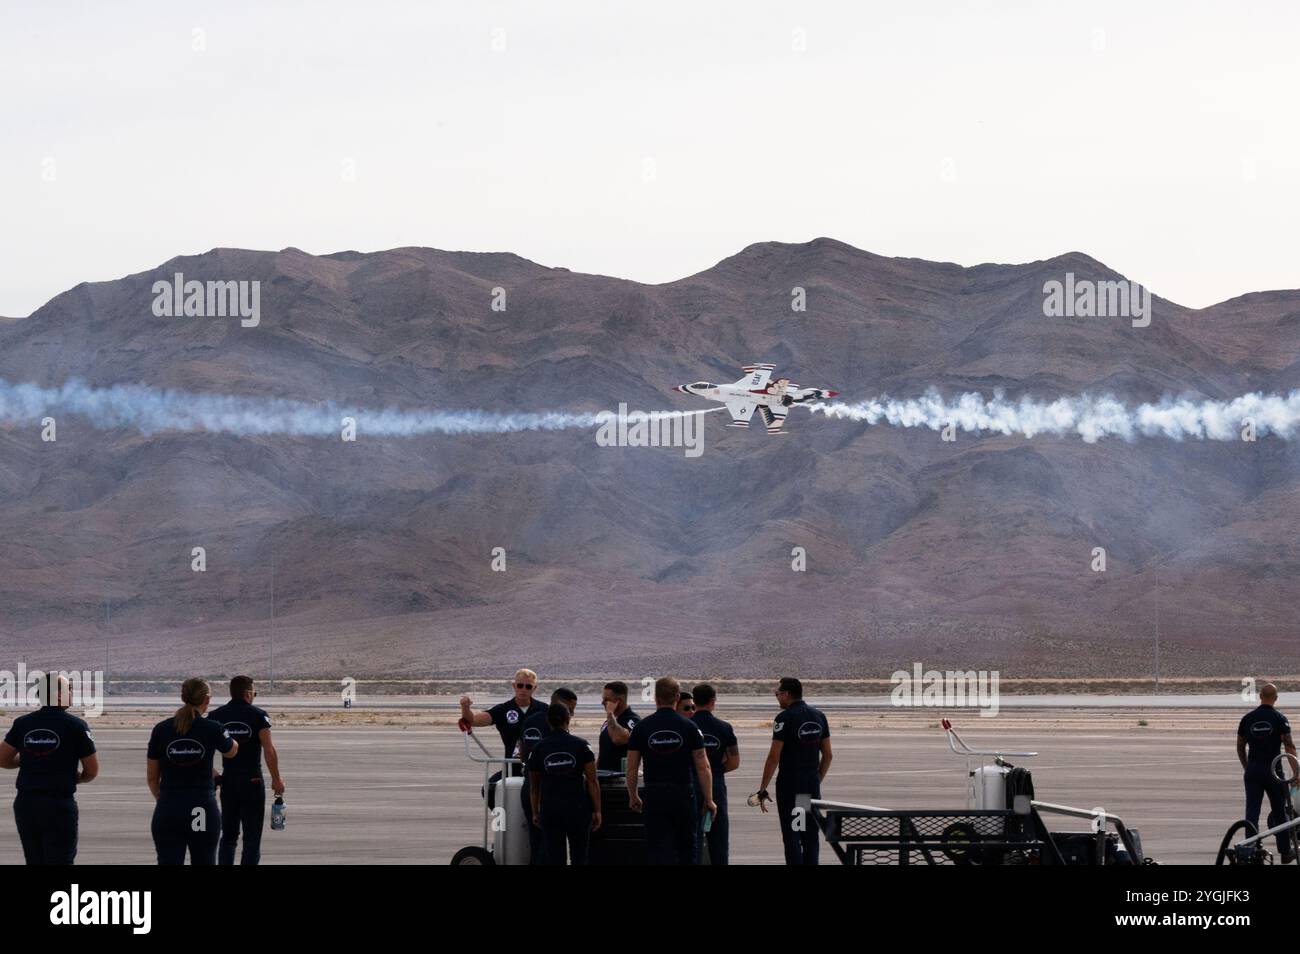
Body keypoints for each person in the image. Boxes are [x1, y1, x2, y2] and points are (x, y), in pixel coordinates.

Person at [0, 673, 97, 864]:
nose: (72, 694)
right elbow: (92, 770)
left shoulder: (23, 723)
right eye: (69, 689)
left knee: (34, 859)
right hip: (58, 805)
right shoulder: (76, 726)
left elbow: (3, 759)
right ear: (58, 696)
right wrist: (79, 777)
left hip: (27, 805)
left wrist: (29, 757)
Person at [147, 677, 237, 865]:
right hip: (201, 809)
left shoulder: (161, 729)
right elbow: (231, 751)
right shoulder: (212, 728)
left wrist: (166, 800)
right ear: (207, 699)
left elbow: (152, 778)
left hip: (168, 808)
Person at [626, 677, 715, 865]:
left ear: (655, 698)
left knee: (657, 847)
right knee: (687, 847)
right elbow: (703, 765)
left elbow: (632, 766)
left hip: (654, 793)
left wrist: (633, 794)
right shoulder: (690, 727)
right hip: (682, 792)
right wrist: (708, 799)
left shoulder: (642, 727)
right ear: (677, 696)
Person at [757, 676, 831, 865]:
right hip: (810, 785)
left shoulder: (784, 718)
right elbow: (828, 755)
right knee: (809, 833)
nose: (777, 697)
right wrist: (816, 778)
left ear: (787, 694)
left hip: (790, 784)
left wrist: (762, 788)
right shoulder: (819, 716)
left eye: (777, 694)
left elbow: (774, 756)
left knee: (792, 834)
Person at [211, 675, 284, 865]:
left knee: (228, 836)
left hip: (228, 781)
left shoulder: (216, 716)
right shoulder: (259, 715)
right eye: (254, 693)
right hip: (252, 781)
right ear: (248, 693)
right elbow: (269, 750)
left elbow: (204, 750)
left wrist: (212, 772)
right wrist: (276, 779)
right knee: (251, 838)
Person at [460, 669, 547, 809]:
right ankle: (504, 820)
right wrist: (465, 708)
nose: (523, 689)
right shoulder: (503, 710)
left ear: (534, 688)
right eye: (520, 685)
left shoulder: (544, 710)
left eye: (528, 686)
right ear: (514, 686)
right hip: (511, 766)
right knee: (489, 789)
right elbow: (473, 720)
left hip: (538, 768)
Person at [527, 702, 601, 865]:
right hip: (578, 809)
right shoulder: (582, 745)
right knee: (579, 857)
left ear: (548, 721)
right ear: (568, 720)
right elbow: (592, 780)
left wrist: (535, 811)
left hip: (550, 810)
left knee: (555, 858)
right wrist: (597, 810)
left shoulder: (538, 749)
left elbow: (534, 786)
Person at [516, 687, 578, 864]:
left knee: (536, 842)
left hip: (529, 787)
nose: (572, 713)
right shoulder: (555, 726)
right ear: (561, 705)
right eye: (571, 708)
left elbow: (522, 753)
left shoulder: (529, 721)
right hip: (548, 791)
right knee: (550, 844)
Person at [1237, 682, 1297, 862]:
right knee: (1280, 813)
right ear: (1276, 698)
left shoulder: (1248, 718)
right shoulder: (1279, 719)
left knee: (1252, 812)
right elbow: (1289, 746)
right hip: (1273, 772)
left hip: (1253, 770)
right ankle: (1285, 852)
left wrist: (1247, 767)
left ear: (1260, 697)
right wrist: (1297, 774)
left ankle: (1250, 851)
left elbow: (1240, 746)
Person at [691, 683, 739, 865]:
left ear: (694, 701)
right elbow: (734, 762)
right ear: (713, 701)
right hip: (716, 785)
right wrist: (715, 771)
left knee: (692, 838)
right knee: (718, 839)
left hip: (691, 782)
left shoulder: (688, 726)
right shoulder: (724, 728)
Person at [597, 681, 640, 772]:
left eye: (606, 700)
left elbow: (618, 739)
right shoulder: (609, 721)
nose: (602, 702)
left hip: (620, 779)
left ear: (618, 701)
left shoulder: (632, 720)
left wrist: (610, 713)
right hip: (603, 776)